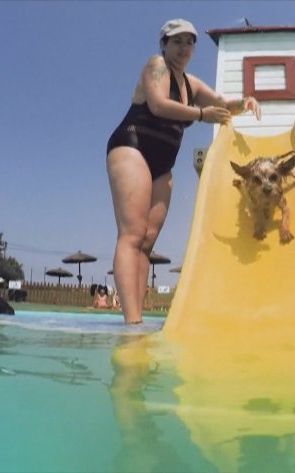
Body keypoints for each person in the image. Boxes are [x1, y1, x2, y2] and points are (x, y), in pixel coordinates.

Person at [106, 18, 261, 324]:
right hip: (133, 146)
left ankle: (137, 317)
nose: (184, 48)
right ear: (163, 44)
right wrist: (202, 114)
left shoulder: (192, 84)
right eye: (177, 41)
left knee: (147, 242)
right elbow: (159, 105)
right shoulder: (156, 66)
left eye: (189, 42)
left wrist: (245, 102)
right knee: (133, 234)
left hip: (164, 164)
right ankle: (131, 322)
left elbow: (222, 104)